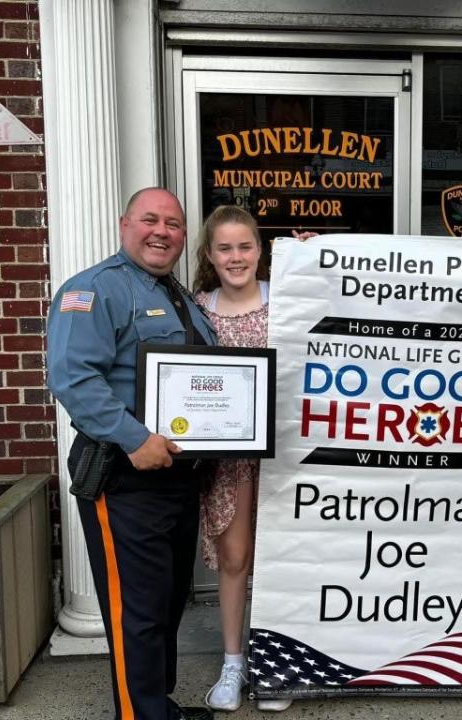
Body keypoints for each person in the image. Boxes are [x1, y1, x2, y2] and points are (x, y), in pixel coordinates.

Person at [47, 187, 217, 720]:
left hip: (176, 476)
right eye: (150, 219)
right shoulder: (95, 290)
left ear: (184, 237)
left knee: (166, 603)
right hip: (124, 475)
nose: (161, 231)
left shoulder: (181, 298)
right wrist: (135, 439)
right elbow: (73, 376)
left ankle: (156, 704)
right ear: (126, 225)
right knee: (135, 610)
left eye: (173, 223)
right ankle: (140, 714)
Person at [193, 206, 313, 713]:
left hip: (288, 451)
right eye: (225, 248)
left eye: (245, 246)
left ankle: (276, 663)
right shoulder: (196, 307)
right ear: (209, 254)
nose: (235, 256)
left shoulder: (286, 298)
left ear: (260, 251)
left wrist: (317, 263)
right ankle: (234, 661)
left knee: (283, 556)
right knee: (237, 558)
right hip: (230, 460)